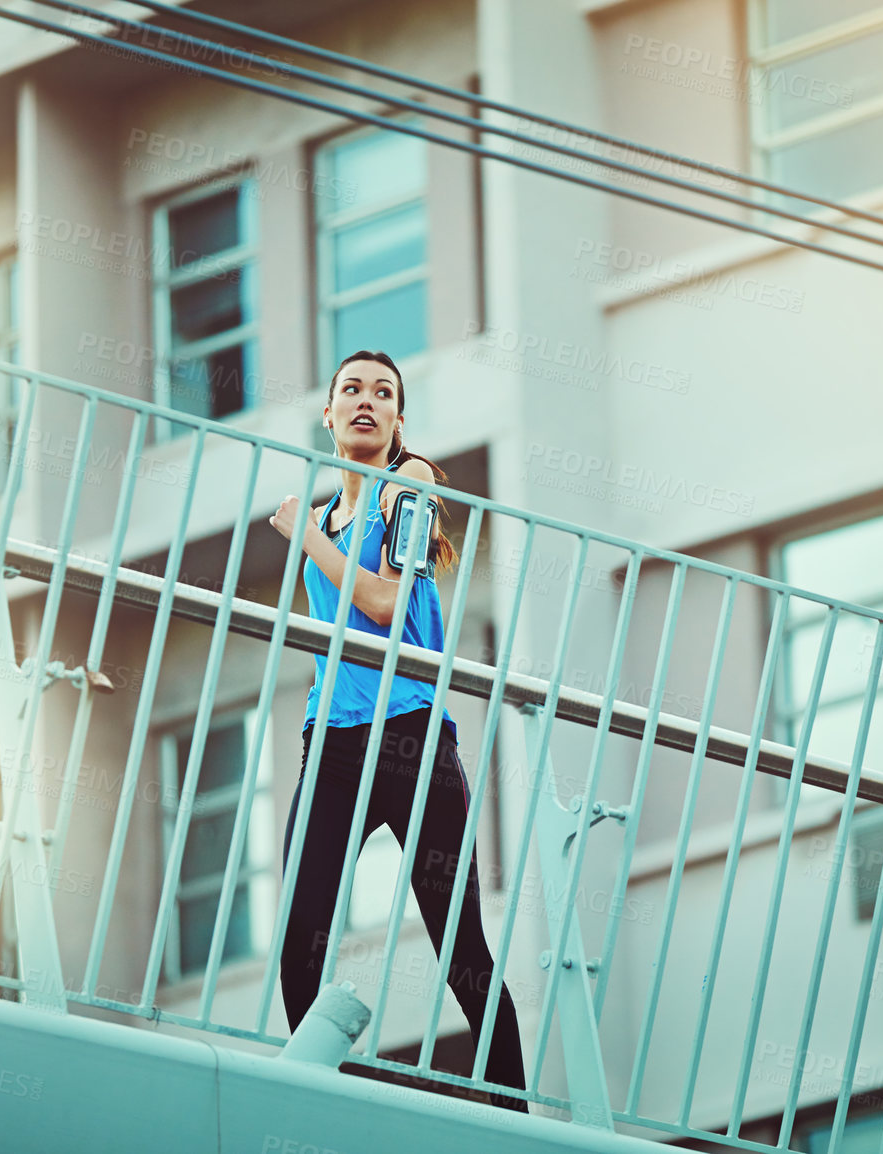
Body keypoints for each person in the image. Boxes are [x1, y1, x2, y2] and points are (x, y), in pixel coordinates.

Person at [267, 349, 528, 1110]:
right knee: (298, 939)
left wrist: (303, 539)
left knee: (461, 951)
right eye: (350, 389)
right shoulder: (324, 515)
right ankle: (320, 1105)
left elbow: (382, 604)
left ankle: (517, 1118)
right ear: (328, 413)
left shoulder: (406, 485)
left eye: (383, 394)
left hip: (412, 737)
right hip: (333, 742)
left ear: (397, 421)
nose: (365, 402)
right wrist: (314, 531)